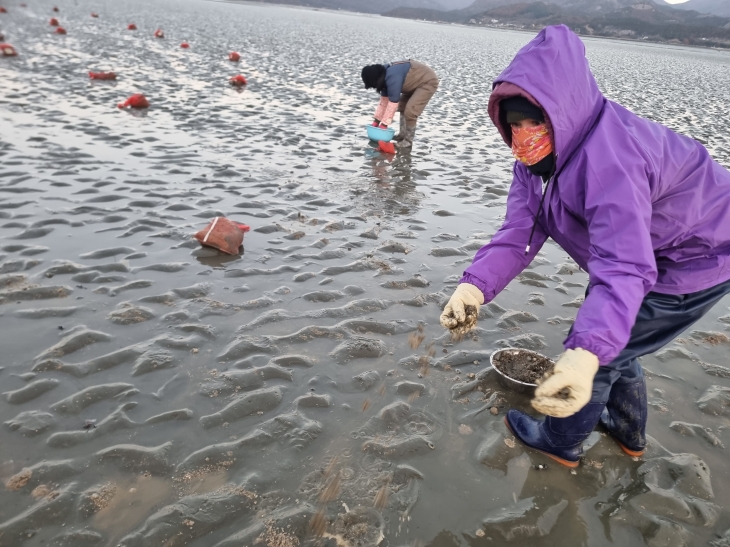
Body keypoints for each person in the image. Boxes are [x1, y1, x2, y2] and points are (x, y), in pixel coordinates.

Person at [440, 25, 730, 468]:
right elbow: (520, 231)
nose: (522, 136)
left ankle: (560, 441)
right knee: (621, 340)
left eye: (533, 122)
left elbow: (623, 265)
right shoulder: (534, 161)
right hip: (654, 251)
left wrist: (584, 353)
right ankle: (628, 431)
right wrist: (473, 288)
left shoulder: (611, 159)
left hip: (701, 253)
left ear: (561, 113)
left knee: (600, 353)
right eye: (513, 124)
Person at [361, 60, 439, 150]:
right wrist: (376, 122)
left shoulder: (392, 77)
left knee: (411, 110)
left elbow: (393, 103)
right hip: (412, 84)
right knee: (402, 107)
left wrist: (384, 125)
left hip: (427, 82)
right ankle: (402, 135)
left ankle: (408, 141)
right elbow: (383, 103)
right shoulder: (383, 78)